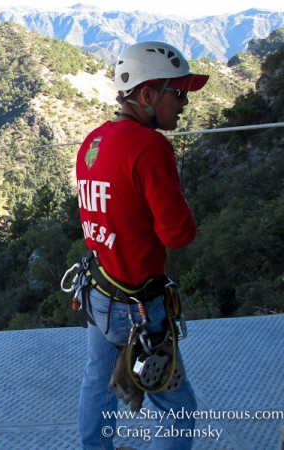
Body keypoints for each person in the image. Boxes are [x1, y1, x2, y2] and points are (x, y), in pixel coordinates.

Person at [75, 41, 209, 449]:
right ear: (148, 95)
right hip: (138, 304)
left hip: (99, 290)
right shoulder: (151, 148)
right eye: (178, 92)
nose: (184, 103)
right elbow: (178, 235)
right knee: (177, 411)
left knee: (98, 382)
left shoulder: (93, 141)